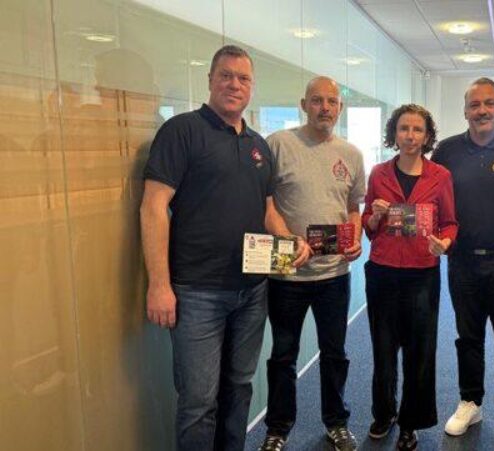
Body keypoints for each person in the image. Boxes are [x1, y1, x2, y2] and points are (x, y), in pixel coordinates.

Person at [140, 45, 274, 451]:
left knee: (239, 388)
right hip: (197, 292)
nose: (235, 84)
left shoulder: (258, 145)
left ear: (252, 87)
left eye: (244, 78)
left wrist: (291, 242)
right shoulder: (182, 131)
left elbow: (267, 210)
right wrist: (159, 285)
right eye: (226, 75)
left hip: (252, 289)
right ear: (211, 80)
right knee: (199, 402)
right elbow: (153, 206)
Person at [259, 76, 365, 451]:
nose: (325, 107)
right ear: (303, 105)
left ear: (340, 108)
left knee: (335, 353)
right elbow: (266, 203)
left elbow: (353, 207)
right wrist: (289, 239)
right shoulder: (279, 144)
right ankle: (277, 427)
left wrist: (356, 236)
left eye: (331, 101)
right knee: (283, 356)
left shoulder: (351, 153)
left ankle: (336, 422)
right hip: (287, 275)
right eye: (317, 100)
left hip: (334, 276)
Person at [431, 77, 494, 450]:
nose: (482, 111)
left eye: (489, 104)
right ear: (465, 111)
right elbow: (433, 204)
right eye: (475, 105)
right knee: (468, 338)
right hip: (462, 263)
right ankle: (471, 401)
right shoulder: (445, 151)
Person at [362, 104, 458, 450]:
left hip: (422, 274)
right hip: (383, 273)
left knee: (419, 352)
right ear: (394, 134)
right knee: (383, 349)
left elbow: (449, 222)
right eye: (404, 129)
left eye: (418, 130)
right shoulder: (378, 174)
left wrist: (443, 243)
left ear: (427, 135)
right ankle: (383, 413)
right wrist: (373, 216)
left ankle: (409, 423)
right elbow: (369, 228)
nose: (410, 136)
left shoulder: (440, 176)